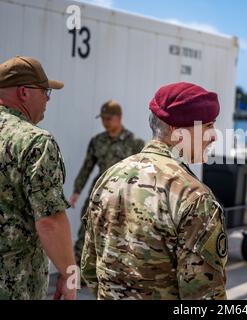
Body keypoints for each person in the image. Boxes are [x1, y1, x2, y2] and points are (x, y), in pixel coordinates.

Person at [81, 82, 228, 300]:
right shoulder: (194, 197)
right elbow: (203, 294)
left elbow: (90, 268)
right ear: (177, 132)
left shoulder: (109, 177)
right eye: (207, 126)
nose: (214, 136)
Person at [0, 56, 76, 300]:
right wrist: (69, 275)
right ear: (24, 92)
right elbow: (49, 222)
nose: (47, 100)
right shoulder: (36, 142)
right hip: (14, 285)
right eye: (45, 92)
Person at [69, 100, 145, 266]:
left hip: (123, 195)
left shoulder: (135, 142)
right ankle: (76, 272)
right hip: (99, 191)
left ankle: (115, 272)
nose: (105, 122)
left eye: (108, 118)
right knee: (87, 228)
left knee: (121, 233)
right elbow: (86, 167)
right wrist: (76, 191)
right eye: (103, 119)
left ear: (119, 118)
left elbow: (142, 174)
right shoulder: (97, 141)